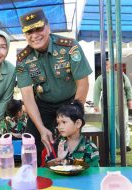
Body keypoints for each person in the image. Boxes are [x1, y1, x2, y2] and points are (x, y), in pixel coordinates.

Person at [16, 8, 92, 165]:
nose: (34, 35)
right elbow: (28, 97)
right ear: (25, 35)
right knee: (31, 145)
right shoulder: (22, 59)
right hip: (41, 105)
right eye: (29, 31)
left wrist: (73, 113)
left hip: (69, 103)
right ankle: (33, 181)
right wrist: (41, 128)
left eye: (38, 28)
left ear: (48, 27)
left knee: (71, 145)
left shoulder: (70, 47)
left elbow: (83, 83)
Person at [45, 100, 100, 167]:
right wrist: (58, 159)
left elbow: (93, 172)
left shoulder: (89, 147)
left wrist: (69, 162)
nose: (59, 127)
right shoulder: (57, 143)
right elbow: (47, 165)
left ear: (78, 124)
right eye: (58, 123)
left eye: (64, 122)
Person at [93, 59, 132, 152]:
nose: (107, 65)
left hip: (121, 105)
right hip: (107, 106)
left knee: (123, 124)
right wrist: (96, 104)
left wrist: (130, 99)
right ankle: (109, 145)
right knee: (108, 126)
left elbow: (128, 87)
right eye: (105, 64)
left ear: (112, 65)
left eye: (108, 63)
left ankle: (125, 144)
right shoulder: (100, 78)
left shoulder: (121, 75)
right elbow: (96, 91)